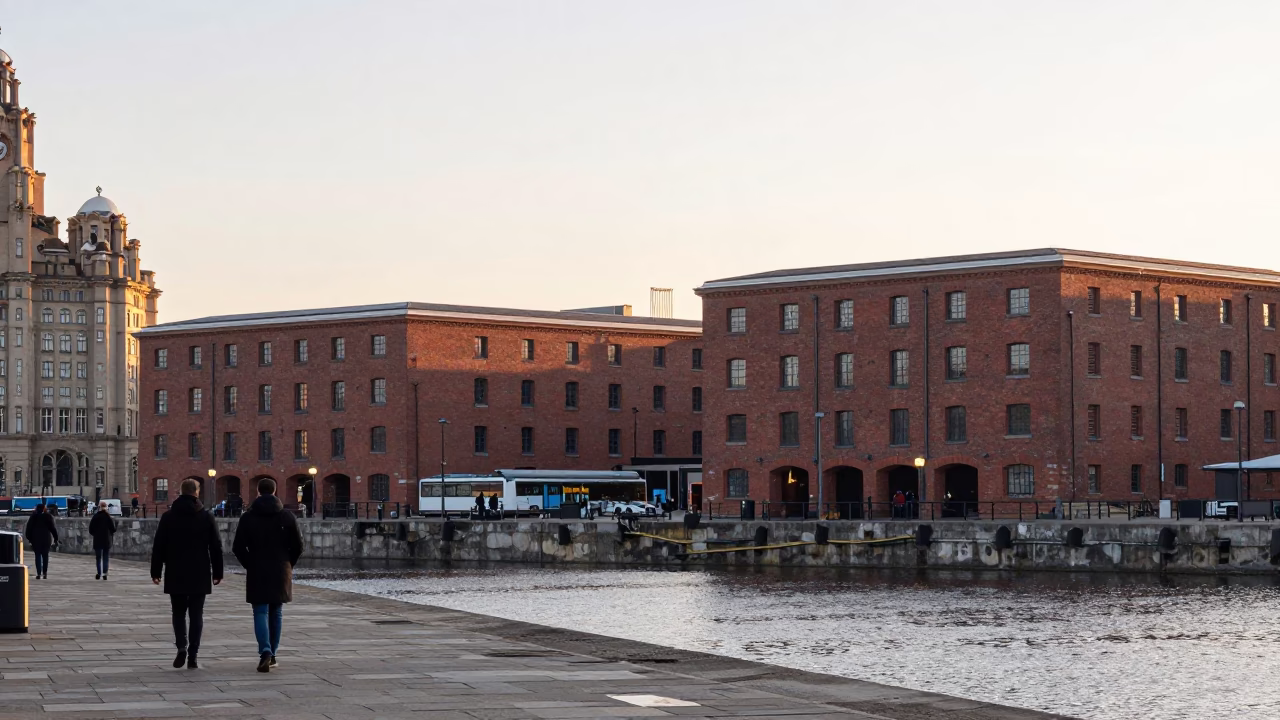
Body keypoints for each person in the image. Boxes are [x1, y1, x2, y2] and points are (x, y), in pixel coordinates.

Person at [151, 479, 223, 670]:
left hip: (176, 569)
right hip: (200, 570)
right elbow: (215, 546)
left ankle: (181, 646)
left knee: (178, 612)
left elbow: (159, 546)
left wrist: (156, 571)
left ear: (180, 491)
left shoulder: (168, 516)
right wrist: (218, 572)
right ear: (196, 492)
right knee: (196, 614)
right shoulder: (206, 516)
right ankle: (193, 655)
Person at [233, 477, 303, 673]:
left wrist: (250, 564)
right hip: (281, 568)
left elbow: (238, 547)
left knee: (260, 611)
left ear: (258, 491)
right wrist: (288, 563)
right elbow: (298, 546)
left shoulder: (248, 517)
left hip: (257, 567)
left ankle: (264, 650)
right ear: (274, 491)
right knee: (276, 611)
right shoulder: (287, 516)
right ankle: (272, 655)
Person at [24, 504, 58, 580]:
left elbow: (28, 529)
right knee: (45, 556)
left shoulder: (33, 517)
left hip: (36, 539)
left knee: (38, 555)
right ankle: (45, 573)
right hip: (46, 539)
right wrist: (56, 538)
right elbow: (53, 528)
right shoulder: (48, 516)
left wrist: (29, 539)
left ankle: (38, 573)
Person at [89, 501, 117, 580]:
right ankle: (105, 573)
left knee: (98, 558)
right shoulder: (108, 517)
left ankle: (99, 573)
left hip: (97, 540)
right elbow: (113, 529)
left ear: (99, 507)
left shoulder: (95, 517)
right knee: (105, 557)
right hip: (106, 540)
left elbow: (90, 529)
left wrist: (95, 534)